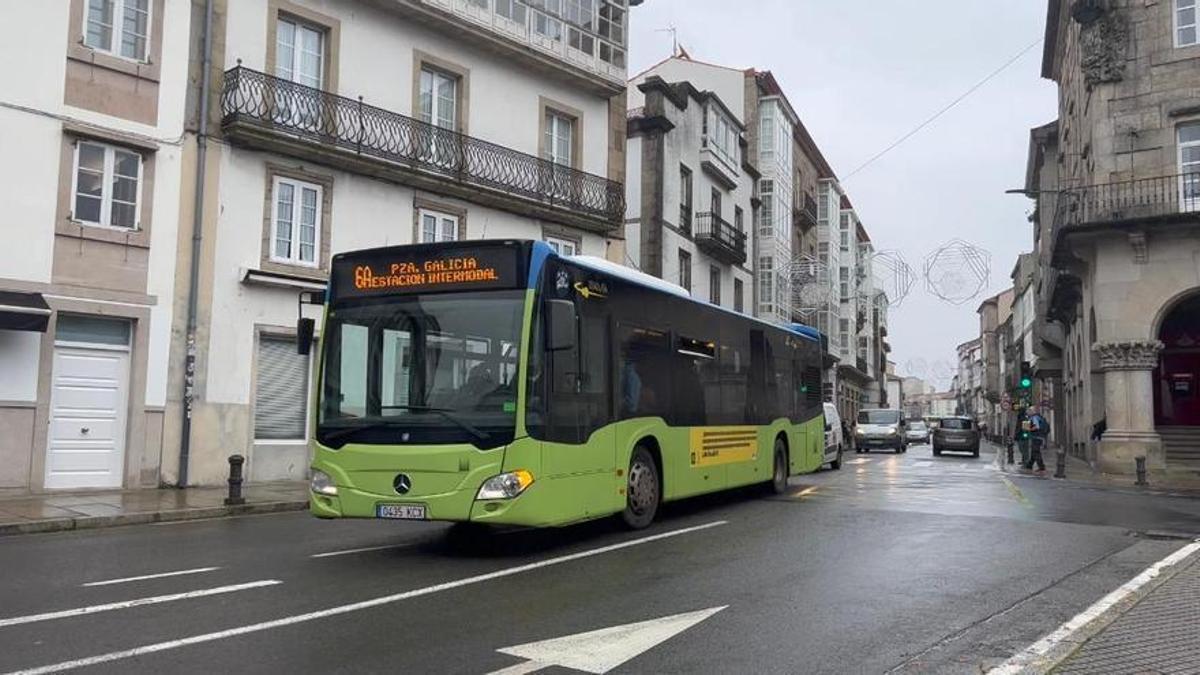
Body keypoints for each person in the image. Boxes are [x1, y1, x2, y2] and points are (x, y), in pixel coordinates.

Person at [1024, 405, 1049, 472]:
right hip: (1038, 437)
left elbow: (1036, 427)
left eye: (1029, 411)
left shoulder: (1034, 417)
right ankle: (1029, 465)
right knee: (1033, 452)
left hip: (1037, 437)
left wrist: (1029, 429)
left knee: (1036, 452)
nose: (1028, 412)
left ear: (1032, 411)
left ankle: (1041, 467)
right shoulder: (1036, 417)